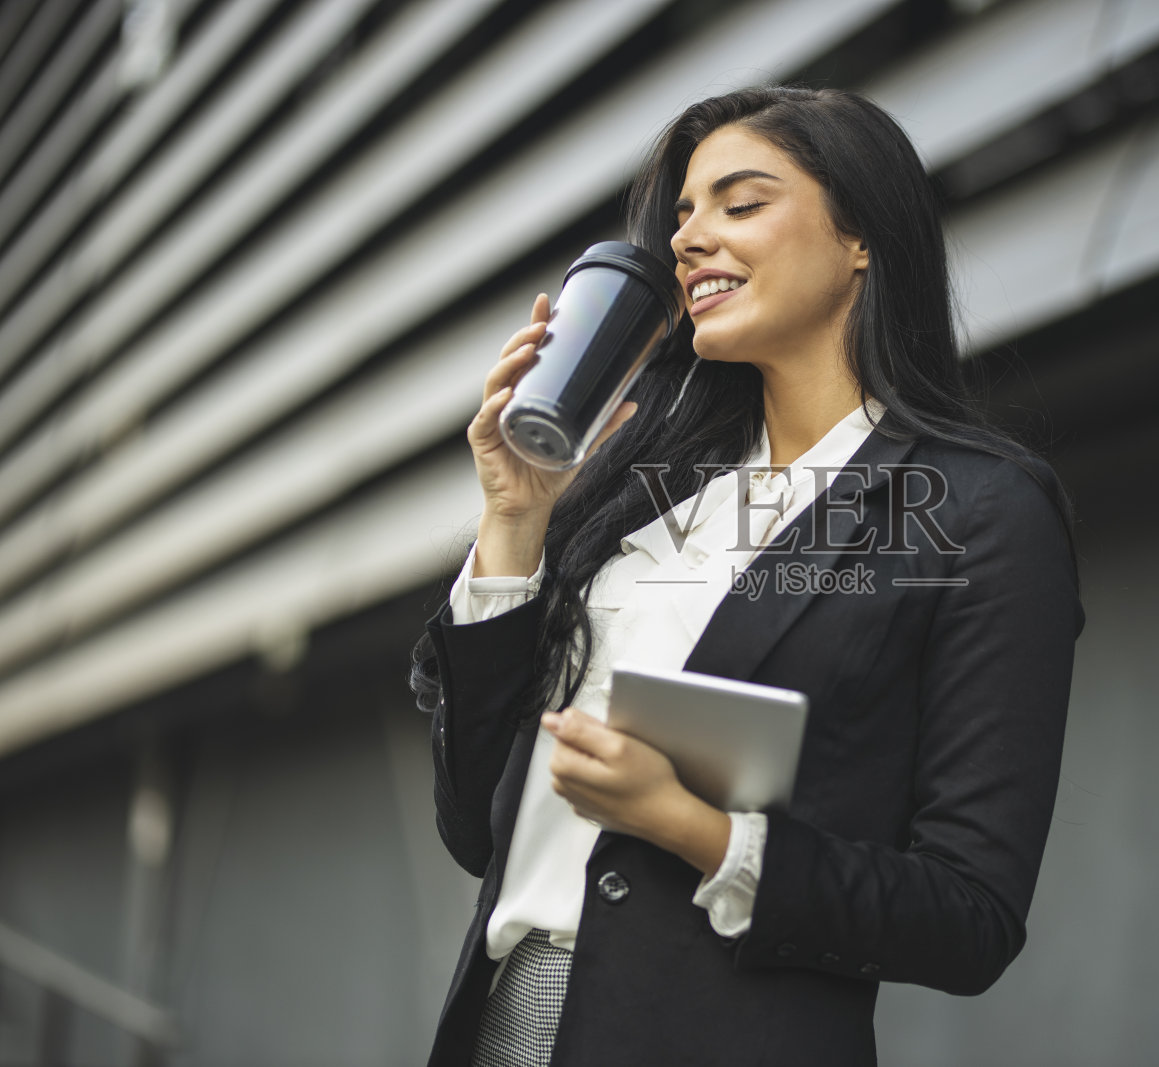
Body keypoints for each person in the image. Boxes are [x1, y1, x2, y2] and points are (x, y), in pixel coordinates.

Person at [409, 85, 1084, 1066]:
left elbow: (970, 914)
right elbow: (477, 826)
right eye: (683, 214)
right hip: (506, 1026)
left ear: (861, 236)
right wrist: (515, 521)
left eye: (742, 202)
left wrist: (698, 830)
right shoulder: (636, 502)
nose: (689, 239)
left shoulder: (977, 511)